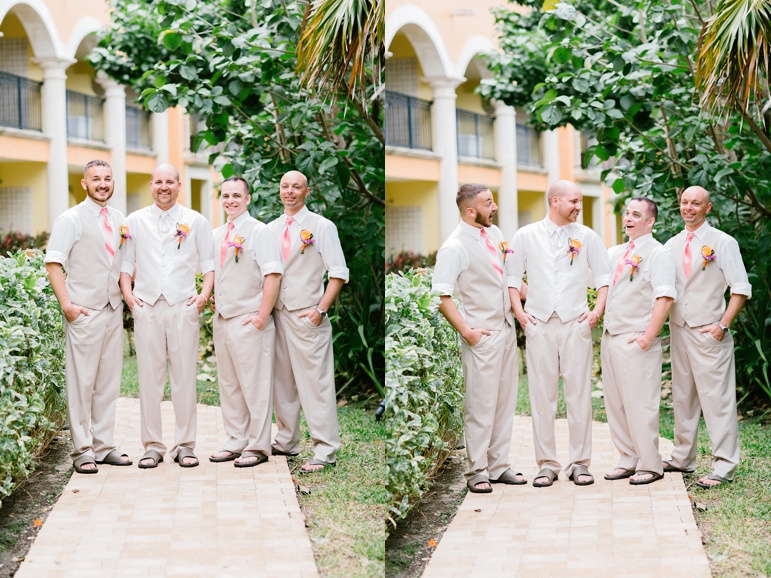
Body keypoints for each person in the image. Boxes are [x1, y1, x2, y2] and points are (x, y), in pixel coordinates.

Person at [507, 180, 611, 487]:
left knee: (579, 394)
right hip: (538, 323)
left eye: (579, 201)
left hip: (575, 324)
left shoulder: (588, 237)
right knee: (542, 394)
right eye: (574, 201)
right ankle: (547, 464)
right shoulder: (525, 235)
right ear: (555, 201)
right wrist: (521, 315)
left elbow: (604, 278)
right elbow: (511, 278)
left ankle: (580, 463)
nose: (579, 206)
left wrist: (595, 314)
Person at [120, 163, 214, 469]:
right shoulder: (134, 220)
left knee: (184, 376)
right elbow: (125, 264)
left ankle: (185, 444)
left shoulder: (195, 221)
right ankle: (153, 445)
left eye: (170, 182)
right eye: (158, 182)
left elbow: (210, 264)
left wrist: (202, 298)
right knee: (149, 377)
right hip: (146, 306)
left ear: (178, 186)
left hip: (182, 307)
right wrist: (130, 299)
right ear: (151, 186)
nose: (164, 187)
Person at [433, 183, 524, 493]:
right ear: (470, 211)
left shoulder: (495, 235)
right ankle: (477, 471)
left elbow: (507, 279)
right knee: (481, 405)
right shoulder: (454, 246)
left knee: (504, 401)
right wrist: (468, 333)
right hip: (481, 334)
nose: (494, 206)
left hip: (507, 329)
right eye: (488, 203)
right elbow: (442, 296)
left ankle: (499, 465)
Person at [45, 159, 132, 474]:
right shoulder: (71, 219)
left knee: (108, 383)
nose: (103, 184)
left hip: (112, 309)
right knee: (81, 383)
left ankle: (104, 445)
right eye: (96, 179)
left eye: (107, 178)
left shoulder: (119, 217)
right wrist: (67, 305)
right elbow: (53, 262)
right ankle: (83, 450)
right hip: (83, 311)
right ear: (84, 183)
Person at [663, 186, 751, 488]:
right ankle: (682, 457)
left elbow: (740, 288)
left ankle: (724, 466)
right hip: (679, 330)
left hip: (709, 332)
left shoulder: (723, 243)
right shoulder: (670, 245)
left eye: (696, 203)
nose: (689, 208)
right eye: (685, 202)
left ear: (708, 208)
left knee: (718, 400)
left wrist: (722, 325)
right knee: (683, 397)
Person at [268, 170, 349, 473]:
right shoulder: (270, 228)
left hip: (307, 316)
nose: (290, 191)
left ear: (307, 191)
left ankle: (325, 450)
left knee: (316, 384)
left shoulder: (321, 226)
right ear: (280, 190)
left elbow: (338, 272)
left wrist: (321, 310)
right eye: (285, 186)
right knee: (283, 383)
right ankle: (286, 441)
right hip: (278, 315)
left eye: (296, 187)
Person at [208, 177, 283, 468]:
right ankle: (235, 440)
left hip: (250, 319)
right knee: (229, 384)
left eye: (236, 195)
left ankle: (258, 445)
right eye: (226, 195)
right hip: (223, 319)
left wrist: (262, 317)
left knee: (256, 385)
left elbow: (273, 275)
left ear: (248, 198)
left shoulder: (260, 232)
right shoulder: (217, 234)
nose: (230, 200)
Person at [601, 198, 675, 485]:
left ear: (650, 221)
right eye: (627, 213)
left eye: (636, 214)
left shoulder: (658, 254)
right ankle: (628, 458)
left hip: (636, 340)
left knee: (640, 403)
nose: (628, 218)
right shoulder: (616, 253)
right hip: (611, 338)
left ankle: (650, 463)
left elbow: (665, 297)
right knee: (616, 403)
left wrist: (647, 337)